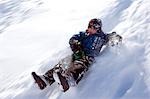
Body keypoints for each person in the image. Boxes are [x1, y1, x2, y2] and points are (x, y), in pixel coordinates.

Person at [32, 18, 109, 92]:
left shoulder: (102, 37)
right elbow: (73, 38)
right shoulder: (84, 34)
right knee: (62, 63)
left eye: (93, 27)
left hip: (88, 57)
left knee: (79, 65)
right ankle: (46, 79)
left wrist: (115, 37)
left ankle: (68, 80)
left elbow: (110, 37)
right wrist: (75, 43)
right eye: (89, 26)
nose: (90, 29)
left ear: (98, 28)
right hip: (78, 54)